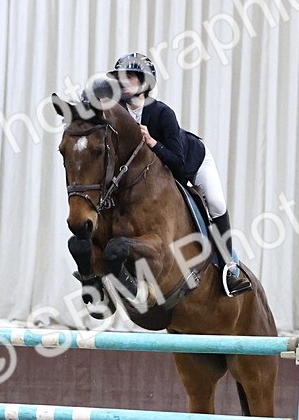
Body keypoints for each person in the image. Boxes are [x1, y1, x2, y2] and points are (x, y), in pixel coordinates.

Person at [108, 52, 252, 297]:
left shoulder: (163, 113)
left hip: (192, 162)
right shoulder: (119, 113)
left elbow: (177, 162)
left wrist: (152, 142)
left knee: (216, 204)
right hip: (155, 173)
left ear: (144, 83)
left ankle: (230, 266)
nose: (122, 82)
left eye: (129, 77)